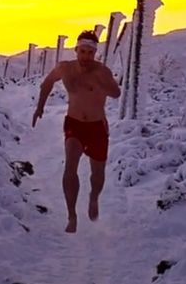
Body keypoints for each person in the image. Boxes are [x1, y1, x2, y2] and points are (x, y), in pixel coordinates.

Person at [32, 30, 122, 233]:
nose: (86, 57)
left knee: (97, 172)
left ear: (95, 53)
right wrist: (40, 107)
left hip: (97, 126)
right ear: (76, 50)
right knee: (70, 165)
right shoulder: (65, 69)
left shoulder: (102, 71)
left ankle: (94, 197)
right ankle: (71, 215)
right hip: (74, 124)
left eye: (90, 52)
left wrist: (103, 84)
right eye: (83, 51)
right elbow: (46, 83)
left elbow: (116, 93)